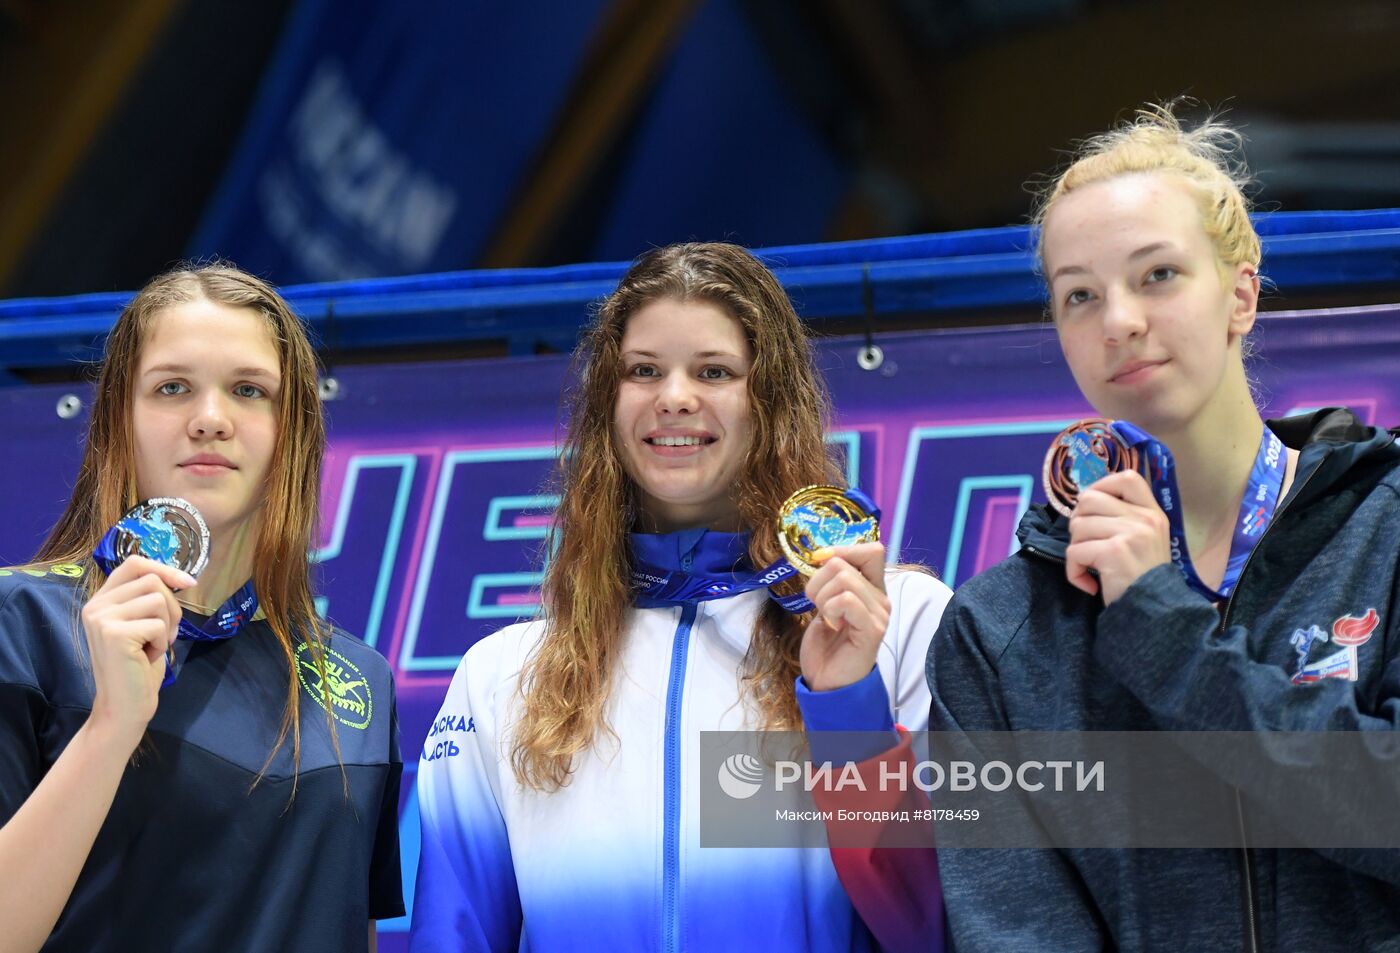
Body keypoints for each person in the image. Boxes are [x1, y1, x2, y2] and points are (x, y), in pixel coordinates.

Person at [928, 103, 1400, 950]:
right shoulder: (998, 632)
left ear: (1241, 293)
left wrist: (1160, 621)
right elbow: (1018, 929)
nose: (1119, 321)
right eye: (1080, 295)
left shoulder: (1386, 527)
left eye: (1157, 275)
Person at [409, 242, 951, 952]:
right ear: (609, 402)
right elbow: (453, 937)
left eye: (714, 371)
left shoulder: (898, 623)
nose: (674, 396)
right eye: (643, 370)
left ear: (772, 403)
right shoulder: (501, 675)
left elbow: (934, 925)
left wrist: (849, 703)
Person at [0, 264, 403, 953]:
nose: (210, 419)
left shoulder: (359, 680)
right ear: (119, 419)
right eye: (172, 387)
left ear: (293, 430)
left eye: (248, 390)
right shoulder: (23, 623)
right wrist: (111, 726)